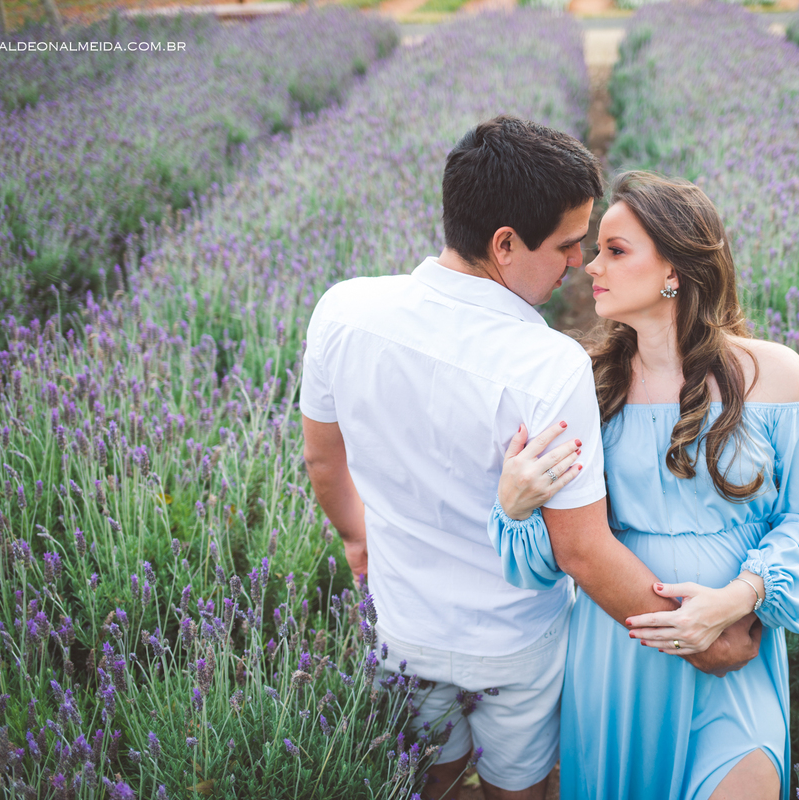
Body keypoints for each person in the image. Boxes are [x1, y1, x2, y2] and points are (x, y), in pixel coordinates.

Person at [299, 117, 760, 800]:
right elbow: (582, 550)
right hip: (513, 646)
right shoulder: (548, 364)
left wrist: (357, 537)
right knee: (519, 787)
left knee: (427, 780)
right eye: (568, 244)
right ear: (505, 244)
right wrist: (704, 641)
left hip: (402, 628)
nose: (578, 263)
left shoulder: (342, 310)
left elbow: (323, 462)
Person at [489, 171, 799, 800]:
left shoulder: (775, 375)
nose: (591, 266)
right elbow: (556, 556)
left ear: (674, 270)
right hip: (620, 655)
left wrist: (738, 597)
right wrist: (515, 510)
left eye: (615, 250)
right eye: (595, 249)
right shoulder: (585, 386)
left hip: (734, 652)